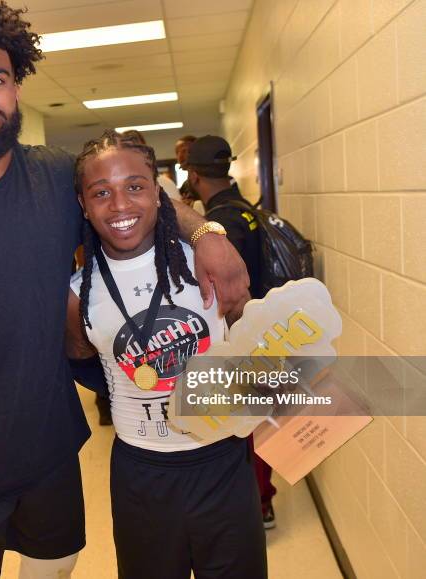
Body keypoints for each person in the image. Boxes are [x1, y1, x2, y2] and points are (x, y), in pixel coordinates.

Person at [0, 2, 249, 578]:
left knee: (58, 566)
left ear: (15, 90)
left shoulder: (58, 177)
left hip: (49, 455)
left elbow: (136, 191)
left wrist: (207, 231)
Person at [66, 130, 266, 579]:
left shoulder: (207, 262)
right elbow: (81, 358)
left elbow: (253, 341)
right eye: (102, 193)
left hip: (223, 462)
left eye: (135, 187)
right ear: (83, 204)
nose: (120, 206)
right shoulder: (80, 294)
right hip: (142, 473)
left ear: (159, 193)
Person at [187, 134, 277, 528]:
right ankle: (263, 501)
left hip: (243, 339)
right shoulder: (247, 210)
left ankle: (257, 506)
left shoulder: (216, 226)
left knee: (248, 431)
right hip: (265, 331)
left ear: (192, 175)